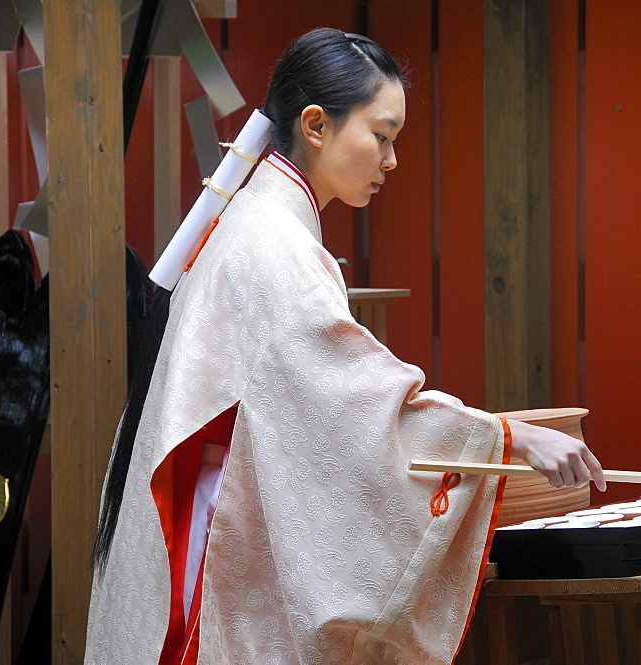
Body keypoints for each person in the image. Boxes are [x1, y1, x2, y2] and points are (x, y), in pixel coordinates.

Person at [86, 27, 605, 665]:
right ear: (315, 125)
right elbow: (351, 398)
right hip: (211, 538)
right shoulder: (275, 243)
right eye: (381, 136)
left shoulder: (259, 221)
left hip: (207, 523)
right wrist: (507, 437)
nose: (391, 160)